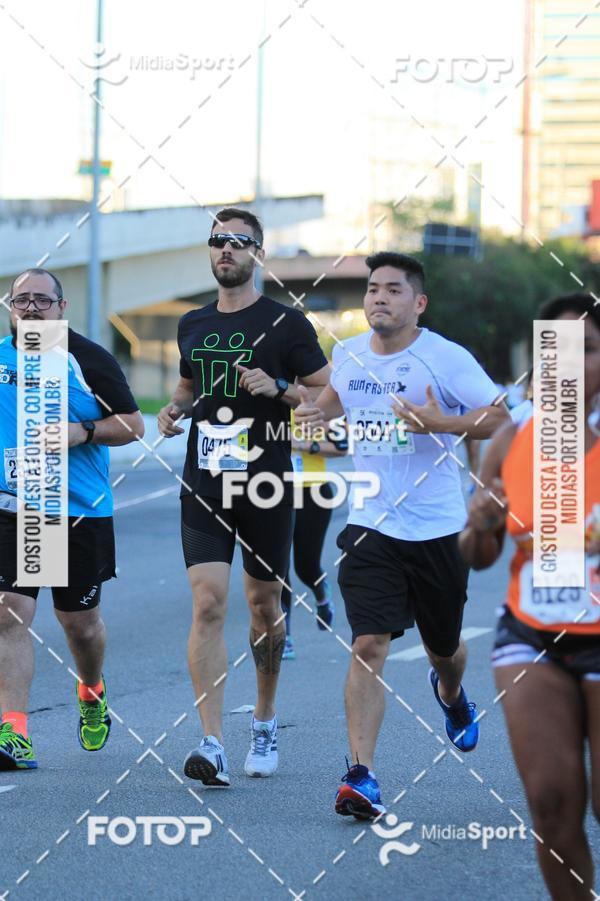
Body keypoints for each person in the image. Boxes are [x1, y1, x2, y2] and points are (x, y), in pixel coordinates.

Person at [295, 251, 508, 818]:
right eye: (371, 290)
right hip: (370, 525)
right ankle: (360, 775)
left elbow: (499, 416)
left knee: (445, 650)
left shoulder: (444, 358)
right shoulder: (350, 355)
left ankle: (452, 695)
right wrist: (314, 416)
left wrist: (440, 422)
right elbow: (330, 406)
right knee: (368, 644)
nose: (378, 298)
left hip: (438, 529)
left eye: (392, 290)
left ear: (419, 303)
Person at [158, 208, 329, 785]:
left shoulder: (287, 325)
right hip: (205, 477)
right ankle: (212, 740)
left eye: (238, 242)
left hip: (266, 482)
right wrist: (175, 409)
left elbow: (324, 399)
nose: (225, 250)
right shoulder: (193, 323)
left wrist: (280, 387)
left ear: (258, 253)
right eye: (217, 241)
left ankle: (264, 718)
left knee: (264, 608)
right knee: (207, 603)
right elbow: (187, 383)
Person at [459, 293, 600, 900]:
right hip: (530, 632)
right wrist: (482, 524)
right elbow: (477, 555)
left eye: (587, 349)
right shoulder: (515, 438)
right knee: (549, 802)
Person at [0, 268, 144, 770]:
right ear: (10, 308)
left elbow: (132, 423)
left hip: (78, 512)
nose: (32, 308)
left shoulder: (86, 359)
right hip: (16, 508)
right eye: (22, 300)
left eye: (43, 300)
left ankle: (91, 689)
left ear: (61, 308)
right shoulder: (0, 357)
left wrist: (81, 432)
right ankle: (13, 732)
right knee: (9, 612)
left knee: (79, 625)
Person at [281, 412, 348, 659]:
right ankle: (283, 635)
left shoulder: (318, 406)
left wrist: (299, 444)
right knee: (279, 568)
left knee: (305, 566)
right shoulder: (265, 402)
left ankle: (322, 596)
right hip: (272, 490)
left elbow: (341, 447)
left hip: (314, 492)